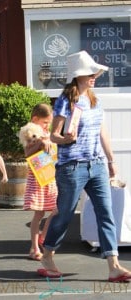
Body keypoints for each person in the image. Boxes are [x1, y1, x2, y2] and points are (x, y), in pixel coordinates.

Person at [38, 50, 131, 282]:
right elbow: (54, 136)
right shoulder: (64, 101)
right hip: (71, 167)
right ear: (77, 76)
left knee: (106, 214)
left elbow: (103, 132)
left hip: (96, 164)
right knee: (65, 214)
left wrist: (110, 161)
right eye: (90, 73)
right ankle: (47, 254)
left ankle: (114, 265)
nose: (94, 76)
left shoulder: (94, 99)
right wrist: (66, 138)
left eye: (95, 73)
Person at [20, 103, 57, 261]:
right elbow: (27, 153)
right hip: (38, 176)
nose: (47, 125)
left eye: (49, 122)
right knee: (39, 213)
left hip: (49, 173)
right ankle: (34, 248)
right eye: (45, 122)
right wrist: (40, 143)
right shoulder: (31, 132)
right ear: (35, 119)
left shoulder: (48, 132)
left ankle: (43, 235)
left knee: (58, 208)